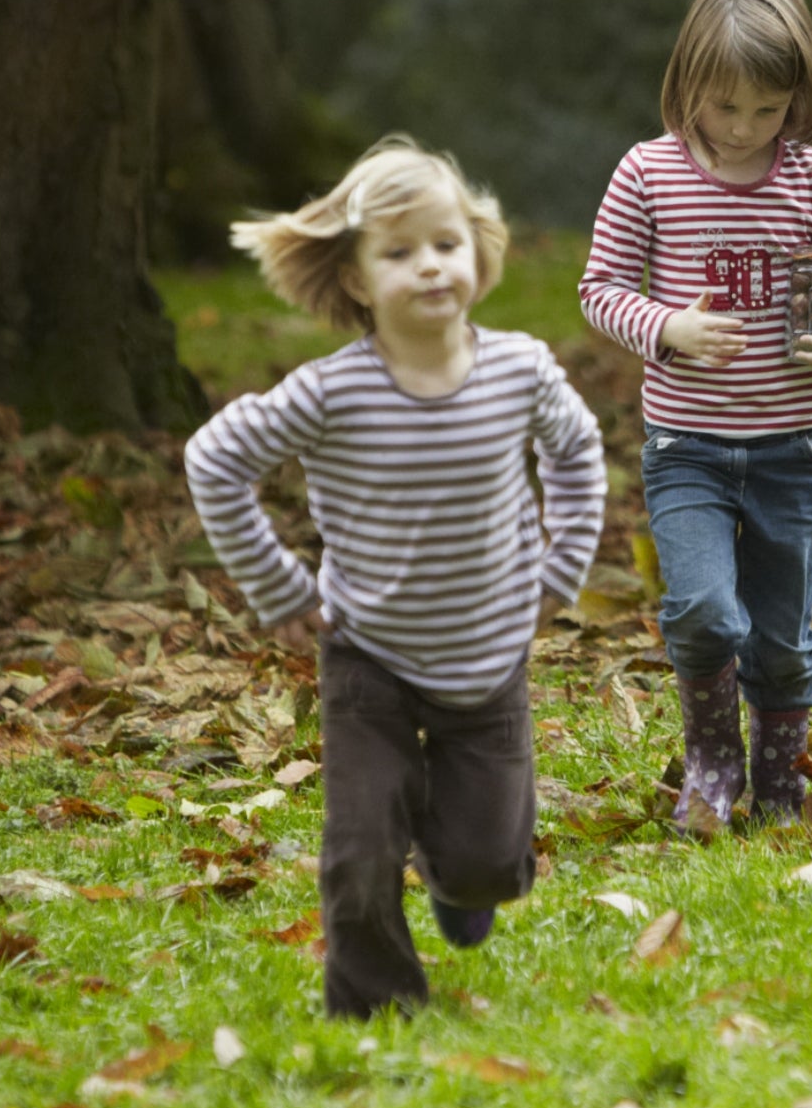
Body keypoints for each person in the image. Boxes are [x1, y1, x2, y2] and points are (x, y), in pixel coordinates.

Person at [186, 137, 606, 1018]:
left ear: (480, 254)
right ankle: (375, 1003)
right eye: (399, 252)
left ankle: (462, 879)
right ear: (355, 279)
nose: (429, 269)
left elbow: (577, 453)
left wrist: (559, 568)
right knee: (359, 846)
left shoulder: (520, 371)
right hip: (366, 654)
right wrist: (281, 589)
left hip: (488, 659)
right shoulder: (330, 393)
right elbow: (214, 459)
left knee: (490, 857)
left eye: (446, 246)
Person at [579, 0, 812, 831]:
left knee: (785, 638)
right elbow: (600, 287)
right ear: (688, 86)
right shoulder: (648, 173)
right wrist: (667, 326)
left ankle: (780, 783)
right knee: (705, 612)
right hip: (690, 447)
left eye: (769, 109)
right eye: (726, 109)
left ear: (800, 96)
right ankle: (714, 764)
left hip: (797, 450)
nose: (747, 129)